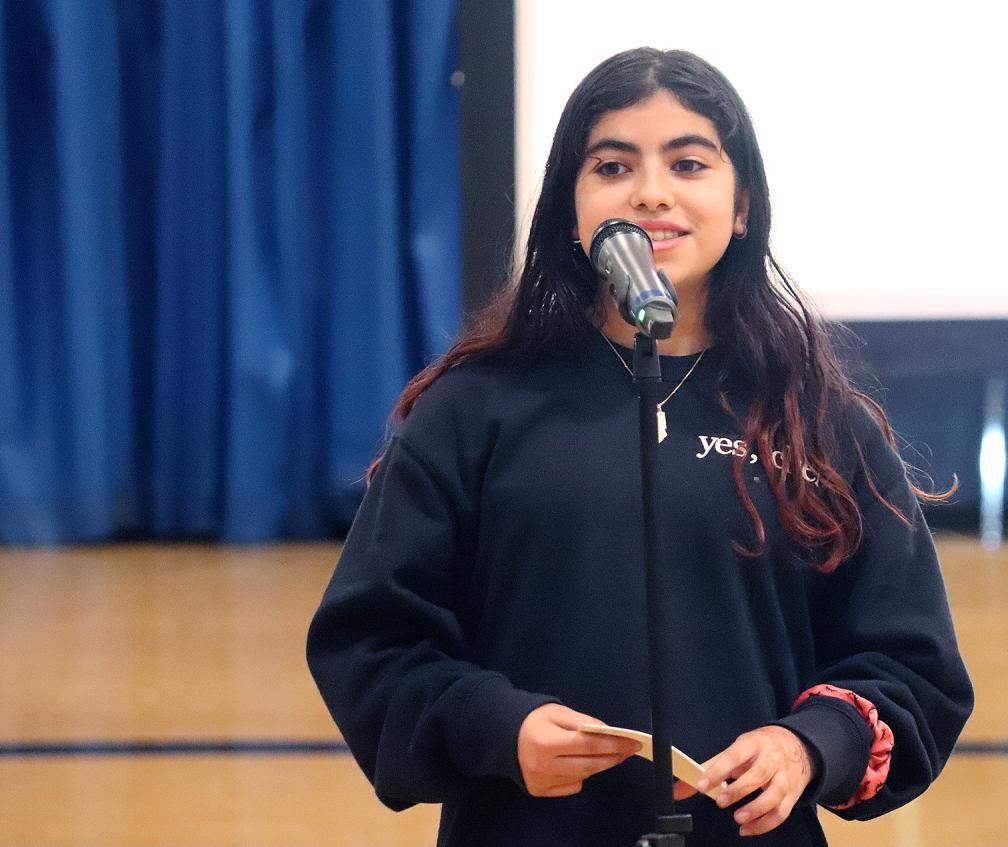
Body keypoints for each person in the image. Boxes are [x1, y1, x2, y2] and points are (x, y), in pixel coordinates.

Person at [307, 47, 973, 847]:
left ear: (742, 207)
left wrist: (809, 745)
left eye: (688, 162)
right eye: (614, 166)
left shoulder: (816, 418)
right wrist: (497, 727)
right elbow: (369, 642)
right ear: (571, 209)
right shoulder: (472, 409)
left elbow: (912, 664)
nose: (651, 192)